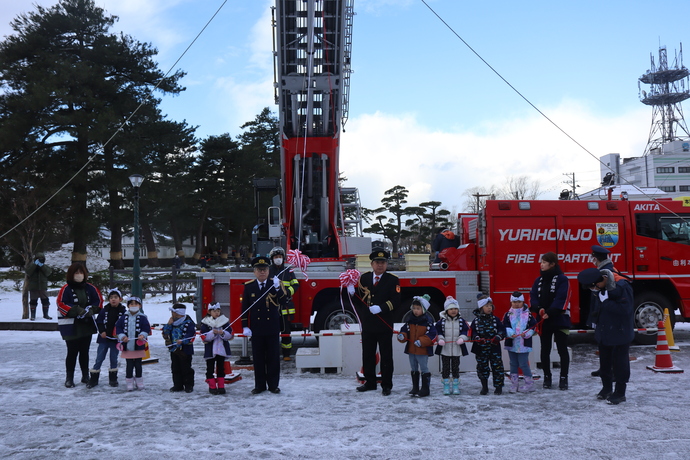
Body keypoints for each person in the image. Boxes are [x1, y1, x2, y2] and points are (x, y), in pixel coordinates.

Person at [577, 267, 634, 405]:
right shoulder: (601, 288)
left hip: (620, 332)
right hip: (604, 332)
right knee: (605, 362)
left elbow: (625, 310)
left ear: (603, 279)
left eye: (596, 286)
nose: (595, 289)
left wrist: (607, 302)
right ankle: (606, 388)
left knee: (620, 364)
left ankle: (620, 392)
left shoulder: (621, 285)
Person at [349, 250, 401, 396]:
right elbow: (358, 300)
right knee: (368, 355)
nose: (380, 265)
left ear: (386, 264)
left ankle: (386, 385)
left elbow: (396, 301)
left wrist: (381, 308)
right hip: (368, 323)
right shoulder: (364, 278)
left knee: (386, 356)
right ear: (372, 264)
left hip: (384, 323)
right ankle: (370, 382)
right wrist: (351, 292)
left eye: (383, 262)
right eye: (377, 262)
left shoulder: (392, 280)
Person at [242, 256, 287, 395]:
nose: (263, 272)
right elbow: (245, 308)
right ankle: (259, 385)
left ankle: (273, 385)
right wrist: (245, 326)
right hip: (257, 328)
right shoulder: (249, 286)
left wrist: (278, 288)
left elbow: (284, 300)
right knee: (259, 358)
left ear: (269, 271)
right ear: (254, 272)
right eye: (259, 270)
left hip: (272, 327)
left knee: (273, 358)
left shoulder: (275, 284)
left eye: (265, 269)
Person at [56, 263, 103, 387]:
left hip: (86, 325)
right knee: (72, 352)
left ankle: (85, 375)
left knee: (84, 351)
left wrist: (91, 310)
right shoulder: (65, 288)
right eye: (76, 273)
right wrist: (76, 310)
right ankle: (69, 378)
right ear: (71, 274)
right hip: (71, 325)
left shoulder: (90, 287)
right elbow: (61, 303)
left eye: (81, 273)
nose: (79, 275)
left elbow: (98, 301)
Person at [529, 252, 571, 390]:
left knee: (562, 349)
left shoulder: (562, 279)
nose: (541, 264)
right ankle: (547, 377)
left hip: (560, 319)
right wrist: (539, 309)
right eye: (541, 262)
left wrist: (551, 312)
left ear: (552, 264)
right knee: (544, 350)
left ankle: (564, 378)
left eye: (544, 262)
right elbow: (533, 297)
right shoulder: (538, 280)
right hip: (544, 320)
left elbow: (562, 298)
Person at [397, 295, 437, 397]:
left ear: (423, 309)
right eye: (414, 308)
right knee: (413, 368)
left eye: (418, 309)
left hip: (422, 351)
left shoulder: (428, 322)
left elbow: (432, 335)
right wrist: (402, 336)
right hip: (411, 350)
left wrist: (421, 341)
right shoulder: (409, 321)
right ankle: (415, 387)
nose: (415, 311)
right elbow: (404, 330)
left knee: (424, 368)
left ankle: (425, 389)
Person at [87, 288, 126, 388]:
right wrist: (102, 331)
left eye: (116, 297)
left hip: (115, 340)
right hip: (104, 338)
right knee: (99, 358)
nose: (113, 299)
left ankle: (113, 379)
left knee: (114, 358)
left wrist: (121, 334)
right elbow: (99, 321)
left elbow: (124, 324)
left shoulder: (123, 312)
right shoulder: (104, 310)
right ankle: (94, 379)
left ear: (120, 299)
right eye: (111, 297)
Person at [502, 291, 537, 393]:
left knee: (523, 363)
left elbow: (533, 326)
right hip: (511, 343)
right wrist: (510, 333)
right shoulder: (508, 314)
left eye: (519, 302)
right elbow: (505, 325)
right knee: (513, 363)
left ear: (523, 302)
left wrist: (526, 333)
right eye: (514, 302)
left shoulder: (528, 314)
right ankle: (514, 384)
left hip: (523, 343)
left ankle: (529, 384)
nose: (516, 304)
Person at [469, 296, 506, 395]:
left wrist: (498, 336)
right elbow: (472, 333)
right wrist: (477, 338)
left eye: (490, 306)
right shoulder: (476, 321)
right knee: (482, 367)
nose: (489, 308)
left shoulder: (496, 319)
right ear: (481, 308)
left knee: (497, 367)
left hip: (494, 348)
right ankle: (484, 386)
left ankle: (498, 387)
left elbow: (502, 330)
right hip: (481, 349)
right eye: (487, 306)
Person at [268, 246, 299, 361]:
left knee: (286, 331)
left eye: (280, 257)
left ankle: (286, 354)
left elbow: (295, 285)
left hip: (285, 307)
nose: (278, 259)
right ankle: (273, 354)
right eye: (276, 257)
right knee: (272, 331)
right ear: (272, 258)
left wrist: (287, 293)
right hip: (272, 306)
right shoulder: (268, 271)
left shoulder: (289, 271)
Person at [435, 296, 469, 395]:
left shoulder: (462, 321)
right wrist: (440, 338)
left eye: (455, 308)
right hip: (445, 349)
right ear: (446, 310)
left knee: (455, 368)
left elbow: (466, 331)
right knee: (445, 368)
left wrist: (462, 338)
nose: (453, 311)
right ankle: (446, 386)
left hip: (457, 349)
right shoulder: (441, 322)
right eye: (451, 309)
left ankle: (455, 386)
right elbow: (437, 331)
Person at [115, 296, 151, 391]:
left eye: (136, 304)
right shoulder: (123, 317)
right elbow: (118, 328)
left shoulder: (143, 317)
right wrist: (122, 336)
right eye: (131, 304)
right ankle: (129, 382)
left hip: (138, 345)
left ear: (140, 306)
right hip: (127, 346)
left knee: (138, 365)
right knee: (129, 365)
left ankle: (139, 381)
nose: (133, 306)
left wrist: (143, 335)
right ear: (128, 306)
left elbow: (146, 328)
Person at [200, 302, 233, 395]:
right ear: (209, 312)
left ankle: (221, 386)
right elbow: (204, 336)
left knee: (221, 368)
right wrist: (213, 333)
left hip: (221, 350)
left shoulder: (224, 321)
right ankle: (212, 386)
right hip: (210, 350)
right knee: (210, 368)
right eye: (214, 311)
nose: (217, 313)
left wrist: (223, 333)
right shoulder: (205, 323)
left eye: (218, 311)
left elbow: (230, 335)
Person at [162, 303, 196, 393]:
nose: (172, 314)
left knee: (186, 368)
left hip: (185, 350)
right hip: (174, 350)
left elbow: (191, 334)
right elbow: (165, 332)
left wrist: (183, 340)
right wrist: (168, 324)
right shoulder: (172, 322)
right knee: (175, 367)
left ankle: (188, 385)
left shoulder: (188, 323)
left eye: (173, 312)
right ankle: (177, 385)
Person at [25, 252, 53, 320]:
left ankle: (46, 315)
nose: (40, 260)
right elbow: (28, 272)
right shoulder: (32, 266)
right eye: (38, 259)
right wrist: (35, 265)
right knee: (33, 301)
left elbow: (48, 272)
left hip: (43, 287)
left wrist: (42, 265)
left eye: (41, 259)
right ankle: (33, 315)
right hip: (33, 287)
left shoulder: (44, 266)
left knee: (45, 301)